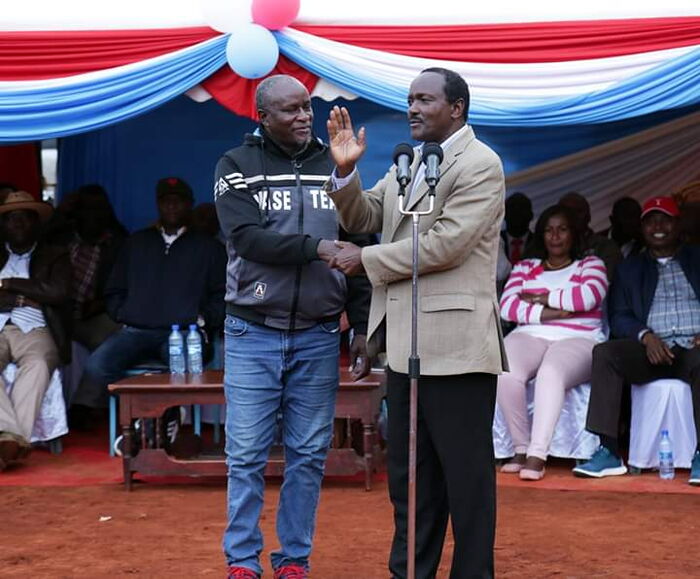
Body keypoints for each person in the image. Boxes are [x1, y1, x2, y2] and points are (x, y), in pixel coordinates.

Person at [325, 67, 507, 579]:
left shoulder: (480, 163)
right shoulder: (409, 163)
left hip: (456, 348)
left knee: (466, 483)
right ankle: (411, 572)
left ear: (457, 108)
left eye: (425, 99)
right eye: (409, 99)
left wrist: (365, 261)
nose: (412, 108)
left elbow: (447, 244)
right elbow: (365, 216)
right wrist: (345, 176)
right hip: (404, 345)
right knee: (410, 480)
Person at [214, 75, 371, 579]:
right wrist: (316, 248)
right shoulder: (235, 167)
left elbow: (359, 245)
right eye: (290, 110)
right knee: (246, 455)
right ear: (262, 116)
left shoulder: (335, 164)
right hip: (252, 330)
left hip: (321, 333)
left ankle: (294, 560)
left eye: (307, 107)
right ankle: (242, 560)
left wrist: (363, 327)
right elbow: (247, 239)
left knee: (307, 455)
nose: (304, 117)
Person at [69, 177, 226, 426]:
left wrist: (204, 319)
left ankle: (161, 417)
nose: (172, 207)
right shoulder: (136, 243)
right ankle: (147, 416)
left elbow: (223, 296)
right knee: (97, 367)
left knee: (182, 369)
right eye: (166, 202)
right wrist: (123, 313)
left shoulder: (209, 248)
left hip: (184, 333)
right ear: (158, 205)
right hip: (136, 331)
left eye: (178, 202)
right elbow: (114, 288)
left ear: (189, 205)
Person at [573, 196, 700, 486]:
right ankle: (607, 451)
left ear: (677, 224)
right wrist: (645, 336)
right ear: (641, 228)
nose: (658, 226)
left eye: (665, 219)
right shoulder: (630, 267)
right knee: (605, 353)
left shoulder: (697, 258)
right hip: (652, 351)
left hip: (694, 349)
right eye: (650, 220)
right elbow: (618, 315)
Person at [497, 205, 608, 480]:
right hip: (530, 335)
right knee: (504, 368)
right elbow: (507, 307)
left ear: (574, 234)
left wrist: (539, 297)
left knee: (550, 372)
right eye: (548, 230)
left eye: (562, 229)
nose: (555, 236)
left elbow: (587, 297)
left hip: (579, 337)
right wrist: (555, 311)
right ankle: (520, 448)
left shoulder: (591, 265)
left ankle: (537, 454)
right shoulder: (525, 267)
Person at [0, 191, 72, 470]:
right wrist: (27, 294)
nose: (18, 225)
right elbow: (44, 291)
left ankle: (8, 443)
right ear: (3, 225)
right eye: (11, 219)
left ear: (35, 223)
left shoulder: (55, 255)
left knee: (39, 365)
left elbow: (58, 293)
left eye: (24, 219)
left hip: (37, 327)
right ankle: (13, 438)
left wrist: (8, 285)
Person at [559, 192, 622, 281]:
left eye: (578, 211)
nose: (572, 216)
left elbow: (607, 282)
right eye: (567, 212)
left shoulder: (605, 246)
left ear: (588, 216)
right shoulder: (550, 247)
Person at [502, 192, 533, 264]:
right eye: (512, 209)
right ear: (504, 215)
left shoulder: (539, 243)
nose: (517, 214)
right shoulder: (494, 242)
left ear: (531, 215)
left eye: (522, 209)